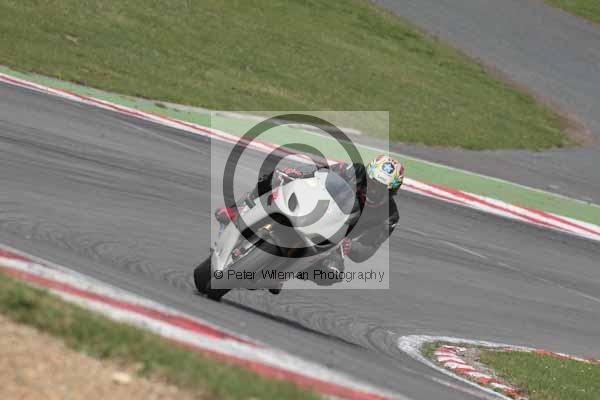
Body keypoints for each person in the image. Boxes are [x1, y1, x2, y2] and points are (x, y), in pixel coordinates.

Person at [215, 155, 404, 286]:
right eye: (372, 183)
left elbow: (369, 247)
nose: (373, 190)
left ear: (392, 192)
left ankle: (283, 273)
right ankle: (236, 210)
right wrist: (296, 172)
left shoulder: (389, 215)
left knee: (331, 273)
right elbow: (321, 172)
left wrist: (351, 246)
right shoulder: (353, 170)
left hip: (335, 239)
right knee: (275, 177)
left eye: (381, 189)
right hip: (316, 208)